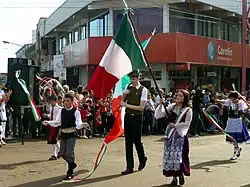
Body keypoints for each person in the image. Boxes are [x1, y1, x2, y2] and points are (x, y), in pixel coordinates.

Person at [42, 93, 87, 181]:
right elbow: (57, 122)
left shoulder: (76, 111)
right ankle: (72, 164)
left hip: (72, 134)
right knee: (62, 153)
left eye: (68, 101)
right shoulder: (61, 110)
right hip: (63, 134)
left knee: (69, 153)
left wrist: (83, 124)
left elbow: (78, 124)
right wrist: (48, 122)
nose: (66, 103)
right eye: (65, 101)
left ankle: (70, 172)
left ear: (71, 101)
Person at [155, 90, 192, 186]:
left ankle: (180, 174)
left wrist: (176, 125)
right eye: (177, 95)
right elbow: (159, 115)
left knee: (179, 156)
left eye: (180, 96)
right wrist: (160, 105)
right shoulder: (172, 107)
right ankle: (174, 178)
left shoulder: (188, 110)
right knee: (170, 156)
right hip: (170, 135)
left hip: (180, 136)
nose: (178, 97)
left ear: (185, 98)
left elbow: (187, 123)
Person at [120, 69, 148, 175]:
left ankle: (142, 158)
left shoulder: (143, 89)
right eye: (131, 78)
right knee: (128, 143)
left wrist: (126, 105)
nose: (132, 80)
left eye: (134, 78)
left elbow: (141, 107)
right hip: (128, 117)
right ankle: (129, 167)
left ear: (138, 78)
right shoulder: (128, 87)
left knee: (137, 141)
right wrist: (124, 94)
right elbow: (122, 102)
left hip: (137, 117)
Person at [217, 91, 250, 160]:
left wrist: (247, 108)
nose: (231, 99)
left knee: (236, 139)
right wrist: (218, 100)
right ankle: (237, 148)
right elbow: (224, 101)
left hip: (238, 121)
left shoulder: (241, 102)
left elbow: (244, 110)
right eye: (231, 98)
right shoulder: (230, 101)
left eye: (232, 97)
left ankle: (235, 153)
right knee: (232, 138)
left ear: (235, 97)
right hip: (230, 121)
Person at [45, 95, 62, 160]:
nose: (51, 103)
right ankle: (54, 154)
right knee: (52, 141)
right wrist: (47, 115)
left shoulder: (59, 108)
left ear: (56, 101)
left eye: (52, 101)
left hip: (57, 125)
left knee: (55, 140)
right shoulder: (51, 107)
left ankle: (59, 151)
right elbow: (51, 115)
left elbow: (59, 117)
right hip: (51, 125)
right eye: (50, 102)